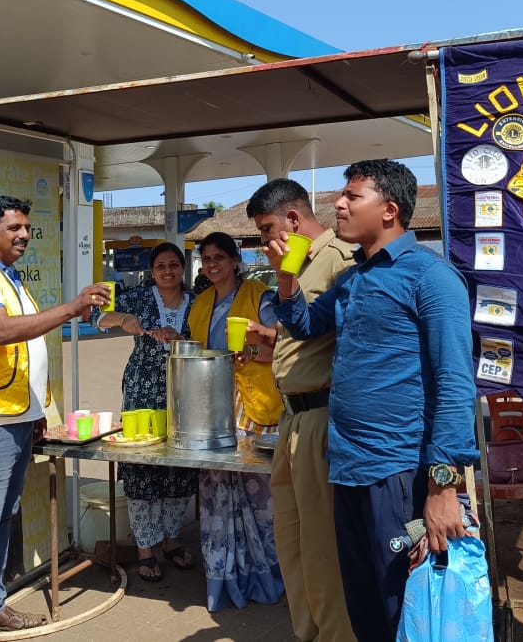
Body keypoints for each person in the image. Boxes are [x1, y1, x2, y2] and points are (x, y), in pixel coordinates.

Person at [269, 159, 478, 641]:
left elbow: (455, 383)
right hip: (348, 468)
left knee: (403, 602)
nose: (338, 205)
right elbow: (302, 326)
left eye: (351, 196)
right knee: (363, 601)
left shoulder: (431, 276)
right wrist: (286, 278)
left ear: (389, 210)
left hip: (399, 474)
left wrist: (443, 488)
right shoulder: (353, 279)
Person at [0, 195, 112, 640]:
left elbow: (21, 351)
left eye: (26, 229)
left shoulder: (6, 277)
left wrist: (35, 411)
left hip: (13, 417)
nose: (23, 236)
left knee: (0, 520)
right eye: (14, 228)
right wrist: (72, 309)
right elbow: (2, 331)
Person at [246, 179, 357, 642]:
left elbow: (342, 338)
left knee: (321, 547)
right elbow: (306, 335)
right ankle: (306, 631)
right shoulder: (292, 267)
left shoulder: (340, 262)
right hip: (292, 417)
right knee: (290, 542)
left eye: (268, 227)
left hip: (321, 415)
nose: (265, 239)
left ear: (293, 220)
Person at [188, 231, 284, 611]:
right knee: (215, 489)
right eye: (206, 259)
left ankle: (265, 576)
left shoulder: (260, 295)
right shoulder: (201, 304)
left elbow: (284, 343)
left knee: (260, 493)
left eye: (219, 258)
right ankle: (222, 576)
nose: (212, 265)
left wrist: (251, 352)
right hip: (213, 406)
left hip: (255, 405)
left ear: (234, 261)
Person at [92, 242, 197, 582]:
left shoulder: (196, 302)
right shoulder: (137, 298)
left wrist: (180, 338)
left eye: (173, 265)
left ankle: (171, 541)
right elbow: (97, 316)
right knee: (141, 467)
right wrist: (123, 319)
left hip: (183, 393)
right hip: (141, 391)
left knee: (177, 470)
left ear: (182, 268)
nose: (168, 271)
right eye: (160, 266)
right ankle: (144, 550)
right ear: (152, 271)